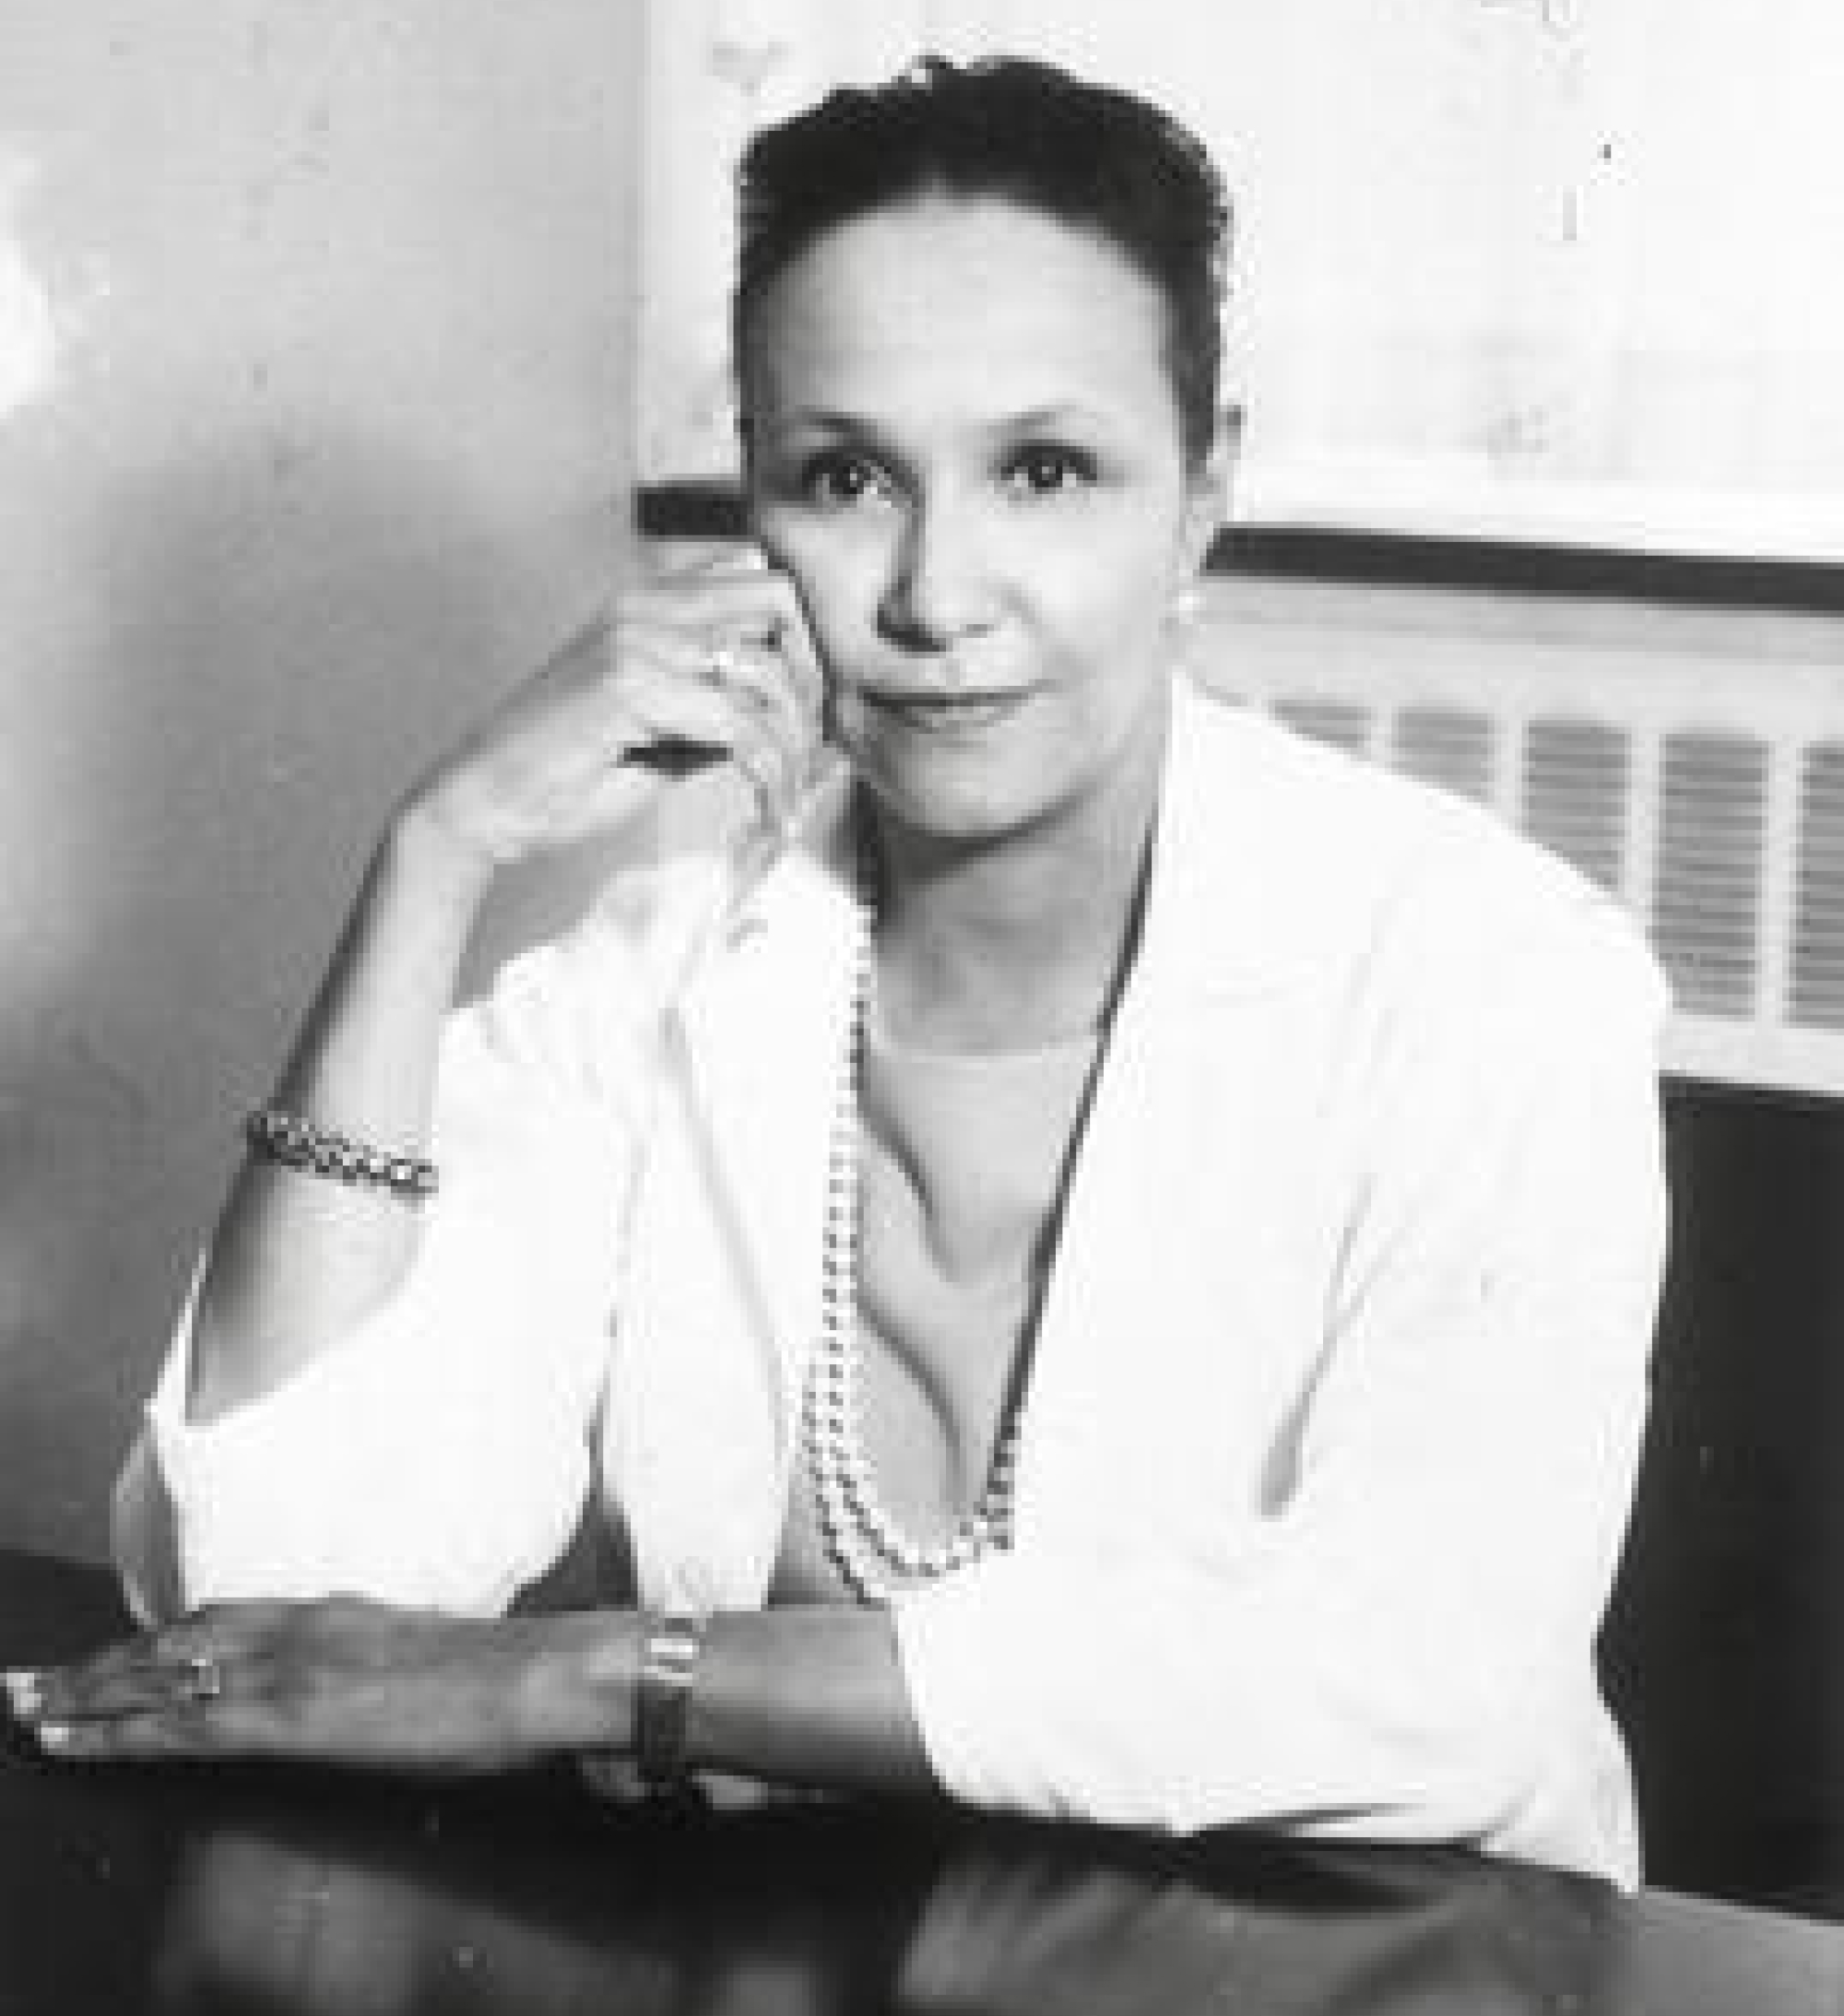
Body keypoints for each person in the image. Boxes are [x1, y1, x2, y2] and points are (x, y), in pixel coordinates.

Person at [1, 55, 1667, 1885]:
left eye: (1046, 468)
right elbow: (272, 1603)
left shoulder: (1488, 967)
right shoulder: (653, 971)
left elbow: (1435, 1682)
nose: (936, 593)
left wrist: (584, 1676)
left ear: (1202, 493)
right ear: (756, 508)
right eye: (848, 472)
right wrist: (433, 858)